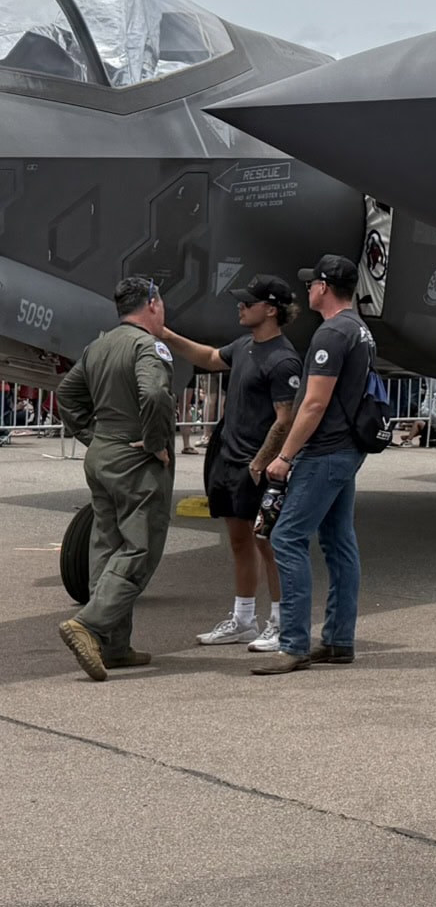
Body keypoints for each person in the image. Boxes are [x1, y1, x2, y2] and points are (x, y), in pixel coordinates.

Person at [158, 274, 303, 652]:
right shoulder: (244, 346)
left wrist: (260, 462)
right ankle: (243, 620)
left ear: (270, 310)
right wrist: (167, 335)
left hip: (258, 465)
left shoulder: (284, 360)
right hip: (229, 458)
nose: (240, 306)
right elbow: (208, 357)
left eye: (248, 302)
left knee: (268, 543)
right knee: (240, 541)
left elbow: (285, 418)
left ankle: (280, 623)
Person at [252, 254, 376, 676]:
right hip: (346, 448)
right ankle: (339, 640)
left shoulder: (332, 333)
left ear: (324, 287)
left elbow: (315, 402)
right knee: (339, 542)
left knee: (286, 538)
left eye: (311, 283)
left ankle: (294, 644)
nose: (307, 289)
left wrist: (284, 456)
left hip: (324, 451)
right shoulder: (359, 330)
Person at [54, 275, 177, 681]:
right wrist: (156, 441)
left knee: (107, 546)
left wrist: (92, 436)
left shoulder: (100, 345)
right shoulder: (147, 346)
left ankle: (114, 647)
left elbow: (66, 394)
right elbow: (156, 395)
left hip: (103, 455)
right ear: (153, 303)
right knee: (141, 549)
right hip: (135, 460)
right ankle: (88, 625)